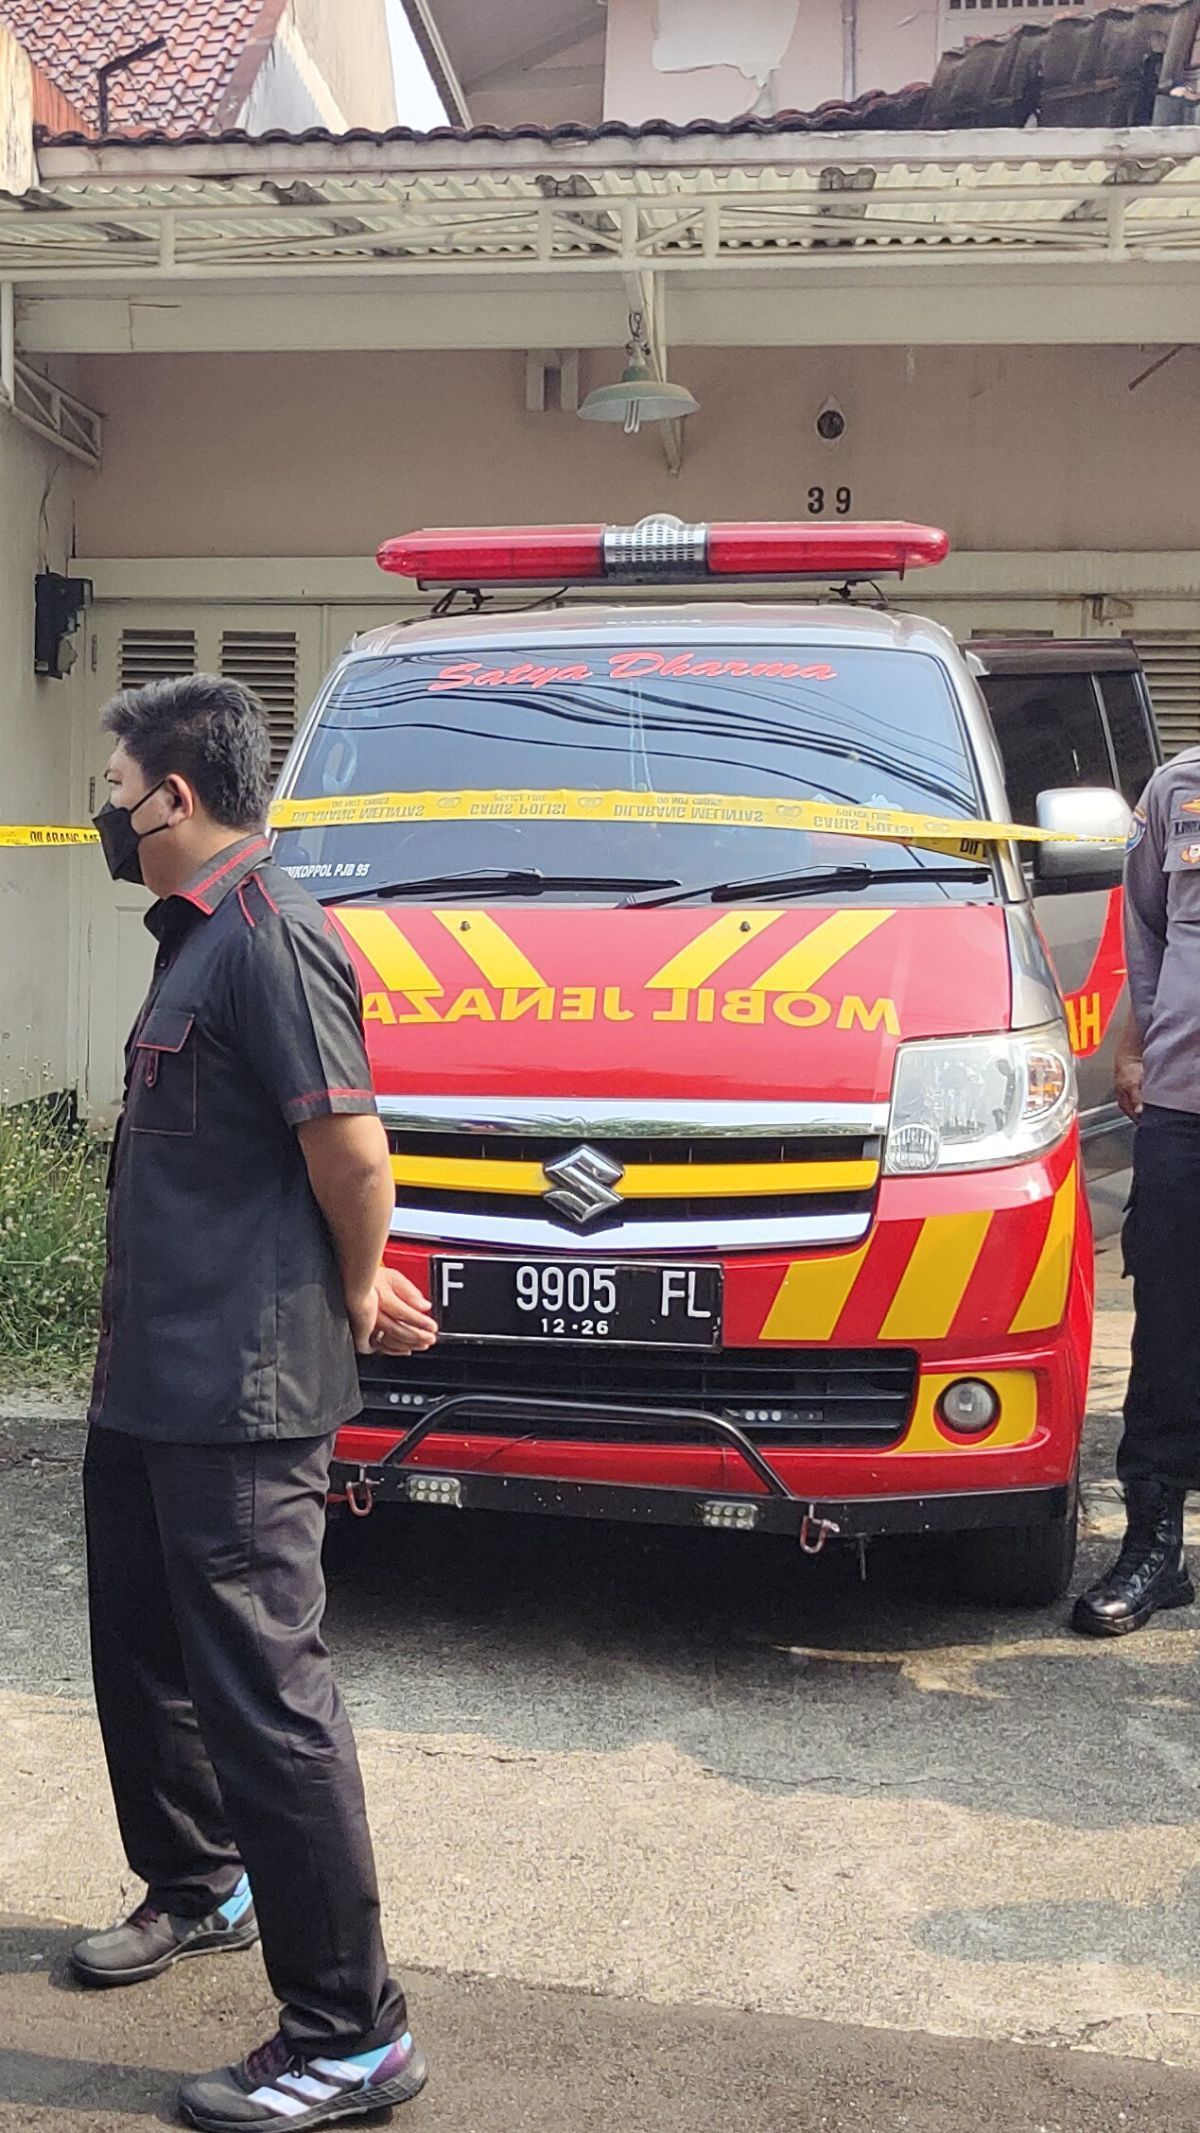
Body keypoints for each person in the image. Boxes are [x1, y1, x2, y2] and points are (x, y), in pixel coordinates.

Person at [71, 675, 439, 2131]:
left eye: (114, 779)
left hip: (239, 1390)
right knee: (141, 1652)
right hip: (151, 1379)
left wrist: (356, 1287)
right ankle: (199, 1878)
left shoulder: (271, 943)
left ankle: (353, 2033)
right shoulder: (192, 947)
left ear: (175, 796)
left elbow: (351, 1154)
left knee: (268, 1701)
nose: (100, 800)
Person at [1072, 754, 1200, 1636]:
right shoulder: (1177, 791)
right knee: (1169, 1325)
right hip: (1184, 1105)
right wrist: (1133, 1044)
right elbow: (1147, 934)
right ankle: (1155, 1550)